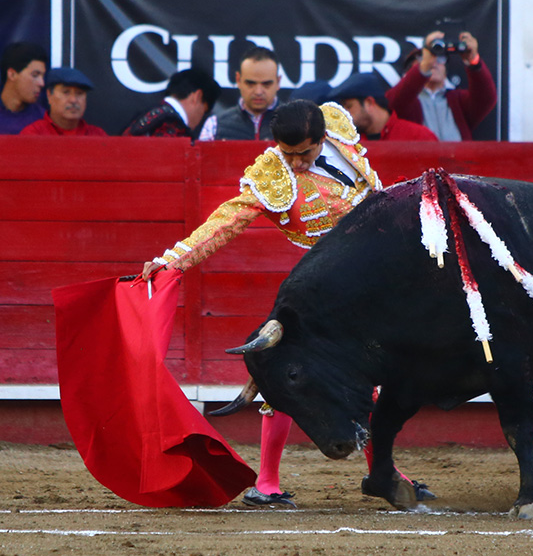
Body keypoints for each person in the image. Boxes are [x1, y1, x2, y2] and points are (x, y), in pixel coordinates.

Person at [141, 99, 432, 508]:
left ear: (322, 138)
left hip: (372, 284)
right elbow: (226, 220)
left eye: (304, 153)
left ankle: (383, 474)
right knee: (285, 373)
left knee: (370, 382)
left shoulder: (338, 127)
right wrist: (173, 260)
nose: (295, 162)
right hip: (322, 292)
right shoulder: (272, 174)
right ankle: (267, 481)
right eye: (287, 152)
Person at [387, 30, 496, 141]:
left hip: (458, 153)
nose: (434, 63)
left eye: (440, 58)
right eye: (423, 58)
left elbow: (486, 98)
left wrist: (473, 61)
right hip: (420, 153)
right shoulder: (406, 101)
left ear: (446, 70)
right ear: (410, 71)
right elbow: (393, 102)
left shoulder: (458, 100)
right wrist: (424, 67)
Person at [199, 46, 280, 141]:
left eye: (266, 84)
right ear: (238, 80)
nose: (258, 92)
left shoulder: (295, 124)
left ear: (278, 82)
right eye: (250, 83)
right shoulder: (214, 125)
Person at [329, 72, 438, 142]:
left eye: (349, 106)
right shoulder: (348, 142)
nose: (344, 113)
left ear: (369, 102)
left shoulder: (419, 137)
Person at [122, 68, 220, 138]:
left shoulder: (144, 116)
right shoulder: (172, 126)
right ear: (197, 96)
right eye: (204, 111)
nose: (200, 120)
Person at [20, 67, 106, 136]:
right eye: (66, 92)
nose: (73, 100)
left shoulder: (97, 135)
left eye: (79, 93)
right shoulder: (34, 134)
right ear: (49, 95)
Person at [0, 41, 48, 135]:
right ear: (12, 74)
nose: (42, 83)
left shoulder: (44, 120)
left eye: (43, 76)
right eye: (35, 75)